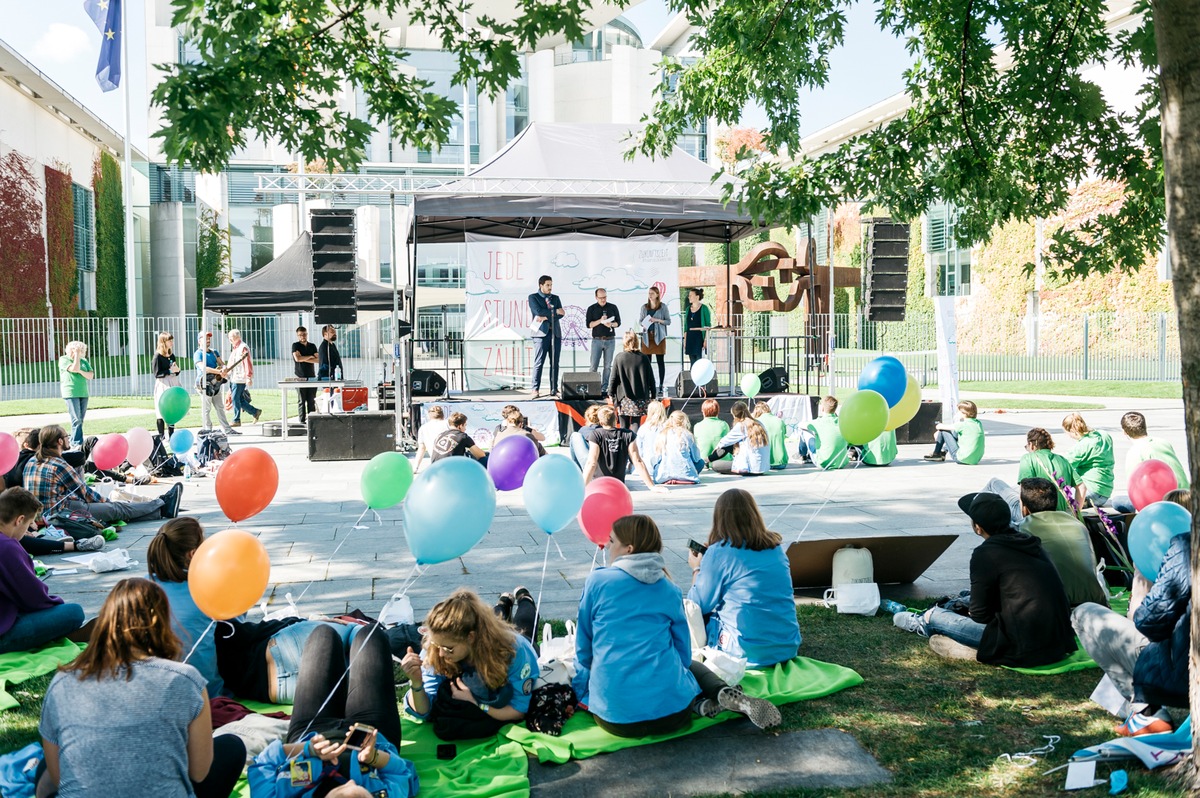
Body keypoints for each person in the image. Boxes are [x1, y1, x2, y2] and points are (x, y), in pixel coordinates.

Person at [573, 514, 781, 737]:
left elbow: (584, 649)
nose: (607, 547)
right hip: (672, 715)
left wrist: (580, 691)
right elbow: (682, 654)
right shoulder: (669, 590)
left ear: (629, 549)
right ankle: (710, 695)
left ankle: (702, 701)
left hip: (615, 718)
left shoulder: (598, 582)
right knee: (687, 665)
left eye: (612, 541)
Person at [37, 578, 246, 798]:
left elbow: (59, 777)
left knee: (44, 768)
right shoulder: (186, 680)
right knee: (231, 747)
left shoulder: (63, 682)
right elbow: (199, 772)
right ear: (162, 624)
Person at [893, 492, 1076, 666]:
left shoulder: (986, 554)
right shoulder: (1030, 542)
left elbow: (980, 615)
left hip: (1021, 645)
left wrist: (974, 610)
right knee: (967, 596)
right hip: (1057, 640)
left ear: (978, 527)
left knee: (936, 615)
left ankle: (924, 622)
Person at [249, 623, 419, 798]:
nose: (351, 781)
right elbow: (403, 774)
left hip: (311, 731)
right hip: (373, 731)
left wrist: (307, 749)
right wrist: (375, 757)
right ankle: (351, 656)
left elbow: (262, 764)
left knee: (323, 635)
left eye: (341, 790)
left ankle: (347, 659)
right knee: (371, 635)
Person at [1072, 531, 1190, 737]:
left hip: (1182, 670)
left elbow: (1150, 622)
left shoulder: (1188, 545)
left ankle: (1146, 712)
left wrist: (1140, 595)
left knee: (1082, 613)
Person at [400, 588, 541, 741]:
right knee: (494, 615)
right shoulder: (436, 646)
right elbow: (425, 711)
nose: (440, 654)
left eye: (448, 648)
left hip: (522, 642)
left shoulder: (515, 650)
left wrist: (477, 703)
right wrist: (416, 682)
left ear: (471, 637)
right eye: (436, 644)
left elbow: (518, 710)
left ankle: (524, 598)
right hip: (482, 633)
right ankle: (504, 602)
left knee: (525, 625)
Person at [688, 490, 802, 667]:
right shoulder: (776, 547)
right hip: (787, 645)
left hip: (742, 651)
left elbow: (696, 604)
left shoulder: (719, 552)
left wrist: (697, 568)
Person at [24, 425, 181, 525]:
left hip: (39, 515)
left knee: (113, 511)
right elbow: (85, 493)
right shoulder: (59, 465)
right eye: (66, 437)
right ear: (59, 441)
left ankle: (162, 510)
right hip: (59, 514)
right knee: (116, 509)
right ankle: (160, 502)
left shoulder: (32, 461)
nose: (68, 439)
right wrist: (107, 502)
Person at [0, 487, 85, 654]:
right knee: (74, 612)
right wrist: (56, 603)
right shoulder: (7, 546)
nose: (28, 531)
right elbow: (35, 599)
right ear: (19, 520)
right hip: (3, 634)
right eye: (29, 525)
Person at [147, 517, 224, 697]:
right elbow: (235, 627)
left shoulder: (141, 585)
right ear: (192, 554)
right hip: (207, 694)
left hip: (151, 692)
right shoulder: (208, 587)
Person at [1017, 477, 1109, 608]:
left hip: (1054, 607)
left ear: (1025, 509)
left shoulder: (1022, 529)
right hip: (1096, 603)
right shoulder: (1078, 525)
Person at [582, 406, 665, 492]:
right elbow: (637, 461)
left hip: (599, 484)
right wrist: (651, 486)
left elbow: (591, 462)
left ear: (601, 422)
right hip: (618, 483)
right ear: (616, 419)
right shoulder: (628, 434)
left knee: (576, 437)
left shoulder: (595, 434)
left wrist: (582, 488)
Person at [1018, 427, 1086, 511]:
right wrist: (1076, 512)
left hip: (1037, 515)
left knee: (1000, 485)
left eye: (1026, 446)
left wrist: (1024, 518)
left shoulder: (1028, 458)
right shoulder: (1062, 460)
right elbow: (1082, 487)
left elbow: (1024, 489)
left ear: (1031, 445)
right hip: (1061, 513)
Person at [1121, 411, 1189, 489]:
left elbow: (1133, 485)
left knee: (1118, 500)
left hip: (1166, 496)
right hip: (1185, 492)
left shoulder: (1134, 452)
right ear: (1145, 426)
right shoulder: (1163, 442)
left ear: (1125, 432)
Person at [1061, 413, 1115, 507]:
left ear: (1072, 430)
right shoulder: (1104, 435)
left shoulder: (1081, 447)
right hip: (1105, 492)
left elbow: (1062, 466)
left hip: (1090, 492)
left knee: (1059, 493)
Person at [608, 330, 656, 432]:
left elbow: (613, 378)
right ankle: (634, 445)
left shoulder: (619, 357)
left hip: (624, 397)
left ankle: (624, 446)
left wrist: (610, 393)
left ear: (625, 342)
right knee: (636, 424)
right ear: (636, 341)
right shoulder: (644, 358)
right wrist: (653, 395)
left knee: (623, 425)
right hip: (640, 397)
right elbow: (651, 378)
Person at [193, 332, 239, 436]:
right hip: (204, 384)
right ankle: (208, 430)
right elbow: (203, 368)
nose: (208, 340)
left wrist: (224, 369)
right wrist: (219, 372)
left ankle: (227, 429)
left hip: (216, 384)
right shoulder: (198, 353)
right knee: (206, 409)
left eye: (209, 338)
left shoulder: (214, 352)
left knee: (220, 407)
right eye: (205, 338)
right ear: (199, 340)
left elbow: (222, 364)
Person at [708, 402, 770, 476]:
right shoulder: (759, 423)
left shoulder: (741, 426)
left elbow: (725, 441)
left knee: (715, 465)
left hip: (749, 468)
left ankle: (706, 460)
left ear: (735, 415)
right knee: (730, 445)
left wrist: (716, 448)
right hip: (762, 467)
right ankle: (707, 460)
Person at [527, 275, 564, 399]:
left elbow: (562, 313)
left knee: (555, 363)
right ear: (541, 285)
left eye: (551, 285)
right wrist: (553, 313)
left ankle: (554, 389)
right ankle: (535, 389)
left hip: (555, 334)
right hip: (540, 335)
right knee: (539, 362)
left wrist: (547, 316)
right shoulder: (533, 297)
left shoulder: (555, 298)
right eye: (548, 285)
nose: (550, 287)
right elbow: (538, 312)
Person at [645, 411, 706, 485]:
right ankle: (685, 476)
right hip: (686, 474)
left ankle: (667, 477)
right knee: (701, 462)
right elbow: (696, 458)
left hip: (664, 475)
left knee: (656, 462)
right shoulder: (687, 435)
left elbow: (656, 458)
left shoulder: (662, 434)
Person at [58, 341, 93, 449]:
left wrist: (80, 371)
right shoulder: (64, 359)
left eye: (80, 350)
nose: (79, 352)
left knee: (80, 419)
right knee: (76, 418)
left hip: (83, 392)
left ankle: (73, 439)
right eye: (76, 350)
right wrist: (76, 356)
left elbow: (90, 375)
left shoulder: (84, 361)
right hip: (71, 392)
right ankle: (76, 443)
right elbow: (74, 368)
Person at [638, 286, 671, 397]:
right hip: (647, 338)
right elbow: (640, 321)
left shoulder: (663, 307)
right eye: (649, 293)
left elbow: (668, 321)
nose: (650, 295)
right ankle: (648, 385)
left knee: (660, 361)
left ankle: (661, 385)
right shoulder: (644, 307)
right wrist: (644, 323)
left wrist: (656, 320)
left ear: (657, 295)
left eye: (652, 293)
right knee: (646, 363)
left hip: (659, 337)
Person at [585, 288, 621, 389]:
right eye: (600, 298)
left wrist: (611, 324)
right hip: (597, 340)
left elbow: (618, 323)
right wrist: (600, 321)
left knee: (607, 366)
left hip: (610, 340)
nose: (603, 300)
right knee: (593, 365)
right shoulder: (591, 308)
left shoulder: (612, 307)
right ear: (596, 297)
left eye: (604, 297)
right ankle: (592, 388)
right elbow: (589, 324)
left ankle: (605, 387)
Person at [227, 329, 261, 427]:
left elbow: (247, 362)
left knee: (235, 398)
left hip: (239, 377)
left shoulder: (243, 347)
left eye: (231, 337)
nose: (229, 339)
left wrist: (248, 376)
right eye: (229, 337)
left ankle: (236, 419)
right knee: (239, 399)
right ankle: (255, 412)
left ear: (237, 337)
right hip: (234, 377)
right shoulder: (235, 348)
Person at [805, 396, 849, 470]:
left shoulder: (818, 422)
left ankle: (802, 455)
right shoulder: (843, 422)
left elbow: (801, 425)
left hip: (823, 464)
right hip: (842, 462)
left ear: (822, 408)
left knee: (805, 432)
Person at [153, 332, 183, 439]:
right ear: (163, 342)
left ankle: (172, 434)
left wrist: (176, 370)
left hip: (173, 382)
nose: (171, 343)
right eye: (169, 341)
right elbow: (157, 373)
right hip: (163, 384)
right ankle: (161, 435)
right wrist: (169, 371)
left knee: (172, 409)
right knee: (161, 409)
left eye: (172, 340)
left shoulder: (171, 355)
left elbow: (175, 369)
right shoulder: (158, 356)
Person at [292, 326, 320, 423]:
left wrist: (305, 357)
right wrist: (310, 356)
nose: (302, 336)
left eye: (304, 334)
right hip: (300, 376)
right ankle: (302, 420)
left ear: (307, 334)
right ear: (297, 336)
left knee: (311, 400)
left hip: (311, 376)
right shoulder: (295, 345)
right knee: (301, 401)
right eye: (300, 335)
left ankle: (312, 421)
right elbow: (297, 359)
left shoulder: (312, 346)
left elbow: (318, 360)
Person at [694, 399, 731, 468]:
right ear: (718, 411)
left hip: (703, 463)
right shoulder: (724, 425)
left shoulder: (697, 426)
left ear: (703, 411)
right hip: (723, 462)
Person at [752, 401, 789, 470]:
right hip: (781, 463)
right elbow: (784, 435)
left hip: (763, 462)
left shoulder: (756, 422)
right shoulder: (779, 421)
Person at [414, 405, 450, 472]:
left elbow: (422, 448)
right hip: (451, 459)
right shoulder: (448, 424)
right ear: (442, 415)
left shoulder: (423, 428)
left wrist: (416, 467)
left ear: (429, 416)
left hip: (436, 461)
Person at [684, 288, 712, 366]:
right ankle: (692, 377)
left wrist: (706, 339)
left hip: (699, 338)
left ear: (697, 296)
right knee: (692, 362)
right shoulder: (687, 309)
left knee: (699, 361)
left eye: (691, 295)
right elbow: (686, 327)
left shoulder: (704, 308)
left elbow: (708, 325)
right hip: (690, 338)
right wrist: (685, 341)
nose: (689, 297)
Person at [569, 404, 603, 469]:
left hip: (591, 466)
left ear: (587, 417)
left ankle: (578, 469)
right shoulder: (607, 430)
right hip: (606, 467)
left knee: (574, 436)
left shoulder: (584, 430)